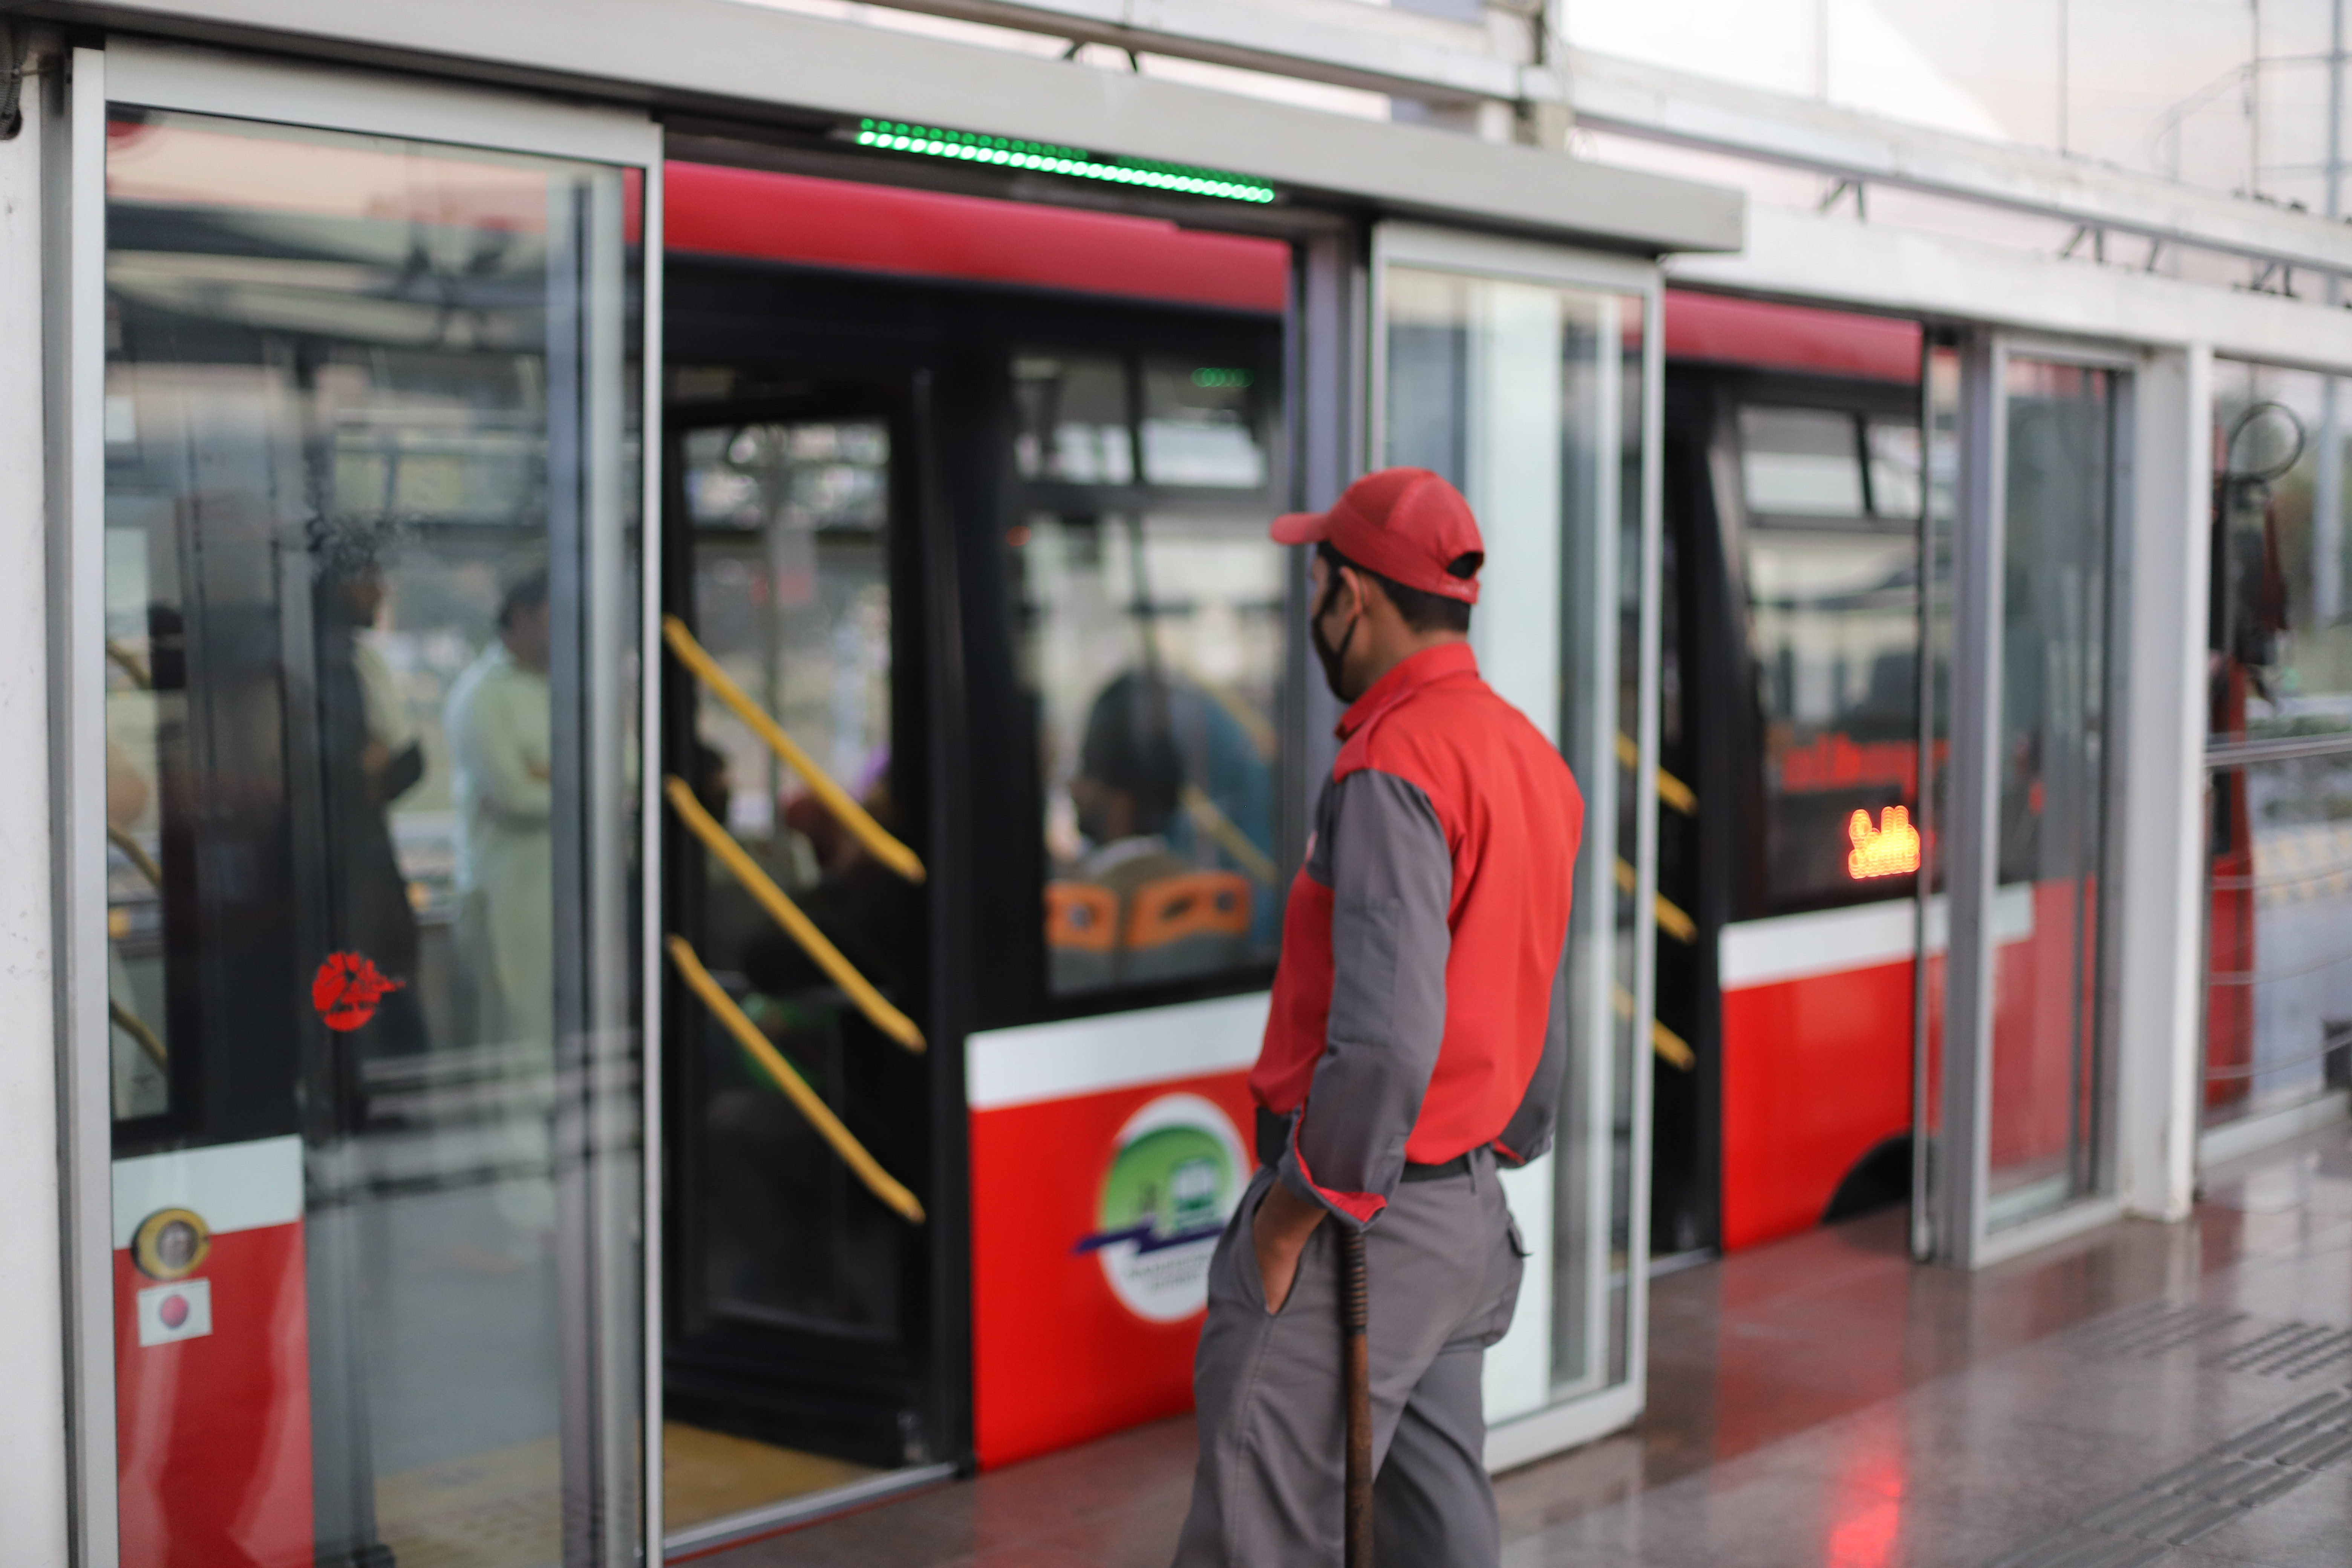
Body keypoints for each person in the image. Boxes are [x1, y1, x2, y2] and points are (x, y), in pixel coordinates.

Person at [1171, 467, 1584, 1568]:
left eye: (1318, 584)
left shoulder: (1392, 761)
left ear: (1349, 595)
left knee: (1255, 1538)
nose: (1314, 608)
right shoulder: (1529, 756)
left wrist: (1296, 1215)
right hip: (1463, 1223)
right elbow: (1540, 980)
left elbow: (1388, 1033)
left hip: (1364, 1229)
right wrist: (1501, 1148)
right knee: (1435, 1538)